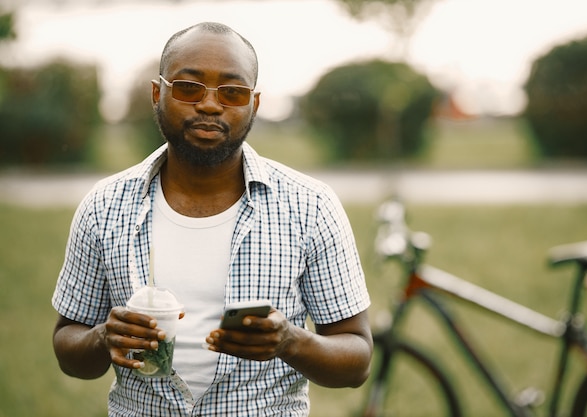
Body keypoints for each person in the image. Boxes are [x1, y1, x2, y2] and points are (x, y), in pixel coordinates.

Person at [51, 21, 372, 416]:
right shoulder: (105, 206)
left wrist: (290, 342)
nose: (209, 104)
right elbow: (69, 346)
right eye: (188, 87)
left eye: (233, 93)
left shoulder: (311, 206)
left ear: (254, 104)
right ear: (157, 93)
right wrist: (103, 338)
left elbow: (356, 358)